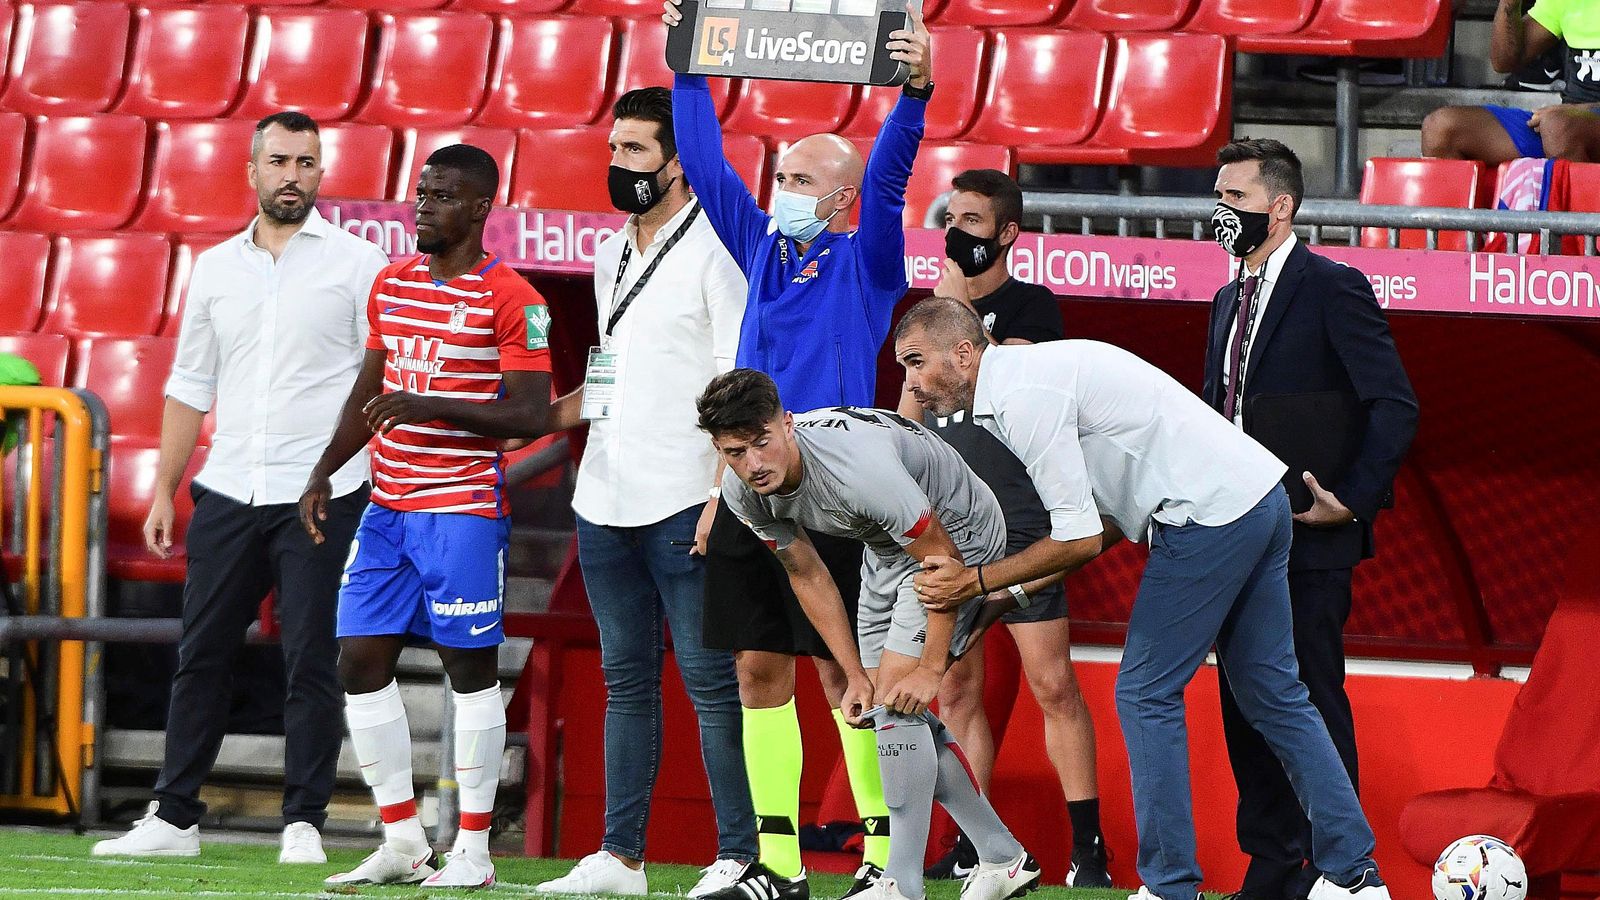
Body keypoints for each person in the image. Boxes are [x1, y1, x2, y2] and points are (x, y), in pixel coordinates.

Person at [895, 299, 1394, 900]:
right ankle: (1354, 876)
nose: (912, 385)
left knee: (1144, 691)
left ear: (965, 352)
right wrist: (1004, 598)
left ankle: (1169, 886)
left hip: (1210, 517)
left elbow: (1076, 537)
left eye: (917, 364)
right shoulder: (1029, 383)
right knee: (1276, 695)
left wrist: (978, 584)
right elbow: (1101, 521)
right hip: (1259, 498)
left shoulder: (1023, 397)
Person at [661, 2, 932, 897]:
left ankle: (879, 861)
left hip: (838, 487)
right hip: (752, 487)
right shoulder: (763, 249)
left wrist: (915, 95)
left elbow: (892, 182)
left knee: (840, 678)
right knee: (754, 668)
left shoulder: (868, 261)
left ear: (841, 200)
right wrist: (688, 65)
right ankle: (774, 867)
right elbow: (702, 164)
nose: (782, 187)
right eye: (781, 173)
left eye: (802, 178)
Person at [91, 112, 389, 865]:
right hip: (226, 488)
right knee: (202, 653)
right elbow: (189, 385)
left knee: (312, 658)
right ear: (251, 170)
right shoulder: (215, 267)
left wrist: (348, 471)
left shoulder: (360, 264)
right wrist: (165, 489)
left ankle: (304, 822)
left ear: (322, 173)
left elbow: (377, 380)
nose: (294, 175)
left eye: (308, 162)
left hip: (322, 492)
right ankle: (173, 816)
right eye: (281, 160)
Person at [299, 144, 552, 890]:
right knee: (357, 659)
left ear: (479, 209)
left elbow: (532, 411)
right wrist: (324, 469)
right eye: (421, 193)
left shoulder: (516, 300)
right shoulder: (391, 284)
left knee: (468, 670)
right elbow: (368, 393)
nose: (424, 207)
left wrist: (431, 405)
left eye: (442, 196)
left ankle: (472, 852)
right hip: (388, 504)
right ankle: (403, 841)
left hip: (462, 508)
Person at [531, 87, 758, 899]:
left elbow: (741, 383)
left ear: (677, 162)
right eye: (613, 148)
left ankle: (738, 853)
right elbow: (609, 365)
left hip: (683, 500)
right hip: (604, 498)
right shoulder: (609, 251)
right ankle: (620, 857)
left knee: (709, 682)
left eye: (634, 151)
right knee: (626, 681)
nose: (617, 165)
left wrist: (720, 495)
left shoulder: (717, 250)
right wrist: (540, 422)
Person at [696, 369, 1040, 900]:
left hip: (960, 533)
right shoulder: (745, 492)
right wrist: (853, 673)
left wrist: (929, 668)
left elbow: (942, 564)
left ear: (786, 424)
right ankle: (1003, 857)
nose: (753, 464)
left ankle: (900, 884)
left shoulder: (857, 470)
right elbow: (806, 573)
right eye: (735, 452)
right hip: (886, 550)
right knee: (888, 709)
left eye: (761, 442)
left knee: (900, 705)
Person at [1205, 139, 1418, 900]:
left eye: (1234, 198)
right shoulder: (1227, 299)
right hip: (1231, 534)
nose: (1221, 212)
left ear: (1281, 206)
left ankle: (1339, 869)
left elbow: (1393, 405)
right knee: (1242, 698)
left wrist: (1351, 500)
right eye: (1219, 196)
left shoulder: (1333, 286)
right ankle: (1270, 861)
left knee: (1309, 696)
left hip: (1310, 536)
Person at [896, 170, 1107, 887]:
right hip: (948, 528)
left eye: (973, 221)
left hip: (1021, 522)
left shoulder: (1033, 307)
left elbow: (1011, 375)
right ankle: (976, 842)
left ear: (1007, 234)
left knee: (1053, 685)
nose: (957, 234)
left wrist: (956, 311)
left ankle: (1089, 850)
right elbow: (910, 411)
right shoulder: (930, 316)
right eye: (950, 217)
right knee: (954, 691)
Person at [1422, 0, 1600, 163]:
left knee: (1557, 126)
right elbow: (1505, 61)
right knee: (1440, 128)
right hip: (1563, 128)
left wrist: (1579, 110)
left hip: (1566, 124)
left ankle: (1572, 197)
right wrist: (1510, 5)